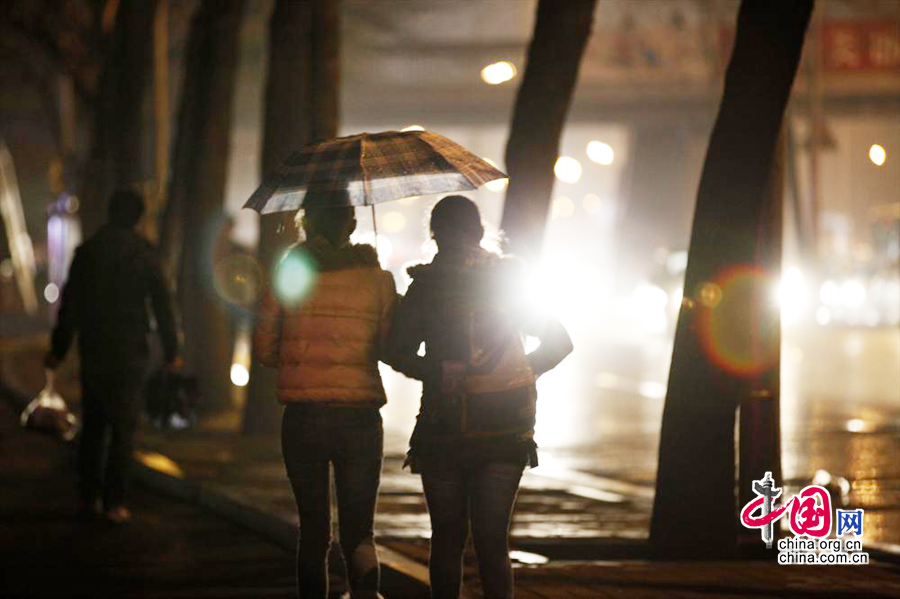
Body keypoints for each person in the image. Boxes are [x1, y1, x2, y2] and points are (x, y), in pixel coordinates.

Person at [388, 196, 572, 599]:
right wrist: (522, 371)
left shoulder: (426, 288)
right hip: (504, 427)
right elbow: (559, 342)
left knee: (448, 540)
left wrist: (436, 372)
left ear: (434, 235)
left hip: (443, 427)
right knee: (491, 542)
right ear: (480, 232)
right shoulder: (507, 282)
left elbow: (395, 350)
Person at [253, 203, 397, 599]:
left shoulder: (288, 274)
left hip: (304, 417)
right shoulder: (377, 279)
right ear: (351, 223)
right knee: (359, 532)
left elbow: (265, 350)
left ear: (307, 223)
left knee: (313, 532)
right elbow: (388, 346)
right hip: (360, 417)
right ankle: (365, 590)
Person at [45, 189, 180, 523]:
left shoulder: (87, 253)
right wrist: (172, 350)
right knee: (124, 427)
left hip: (95, 348)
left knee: (93, 424)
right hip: (131, 350)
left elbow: (70, 307)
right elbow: (163, 305)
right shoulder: (145, 255)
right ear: (137, 217)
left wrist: (58, 349)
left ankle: (87, 497)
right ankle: (115, 502)